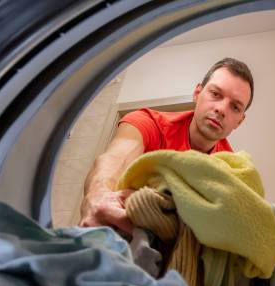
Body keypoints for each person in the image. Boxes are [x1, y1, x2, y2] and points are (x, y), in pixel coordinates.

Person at [79, 57, 254, 235]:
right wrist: (98, 194)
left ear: (240, 121)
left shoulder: (231, 171)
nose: (221, 109)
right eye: (215, 94)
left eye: (235, 107)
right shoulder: (148, 122)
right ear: (197, 92)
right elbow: (116, 159)